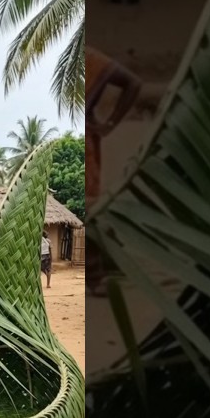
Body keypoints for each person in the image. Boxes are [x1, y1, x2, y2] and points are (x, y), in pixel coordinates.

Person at [87, 46, 142, 297]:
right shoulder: (86, 56)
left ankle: (96, 275)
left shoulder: (88, 57)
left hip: (87, 143)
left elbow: (132, 83)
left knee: (90, 210)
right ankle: (102, 269)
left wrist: (108, 124)